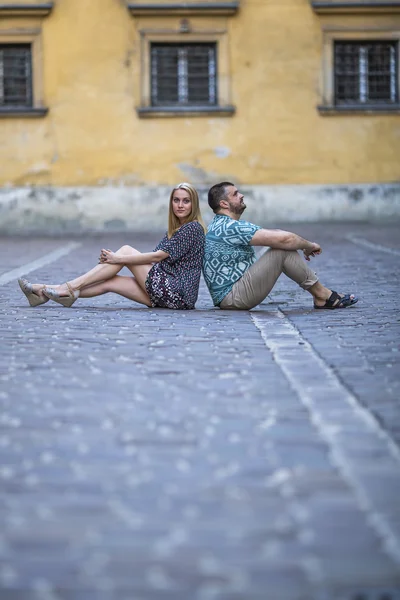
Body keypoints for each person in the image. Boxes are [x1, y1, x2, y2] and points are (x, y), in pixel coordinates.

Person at [18, 183, 206, 310]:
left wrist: (118, 259)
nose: (180, 205)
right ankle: (42, 292)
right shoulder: (176, 229)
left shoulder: (192, 228)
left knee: (125, 250)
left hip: (177, 293)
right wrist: (112, 263)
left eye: (186, 201)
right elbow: (157, 262)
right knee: (111, 282)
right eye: (176, 200)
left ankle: (69, 287)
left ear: (193, 204)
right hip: (170, 293)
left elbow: (157, 257)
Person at [203, 182, 358, 311]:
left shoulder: (222, 224)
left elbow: (275, 234)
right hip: (232, 298)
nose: (241, 195)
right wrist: (309, 245)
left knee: (279, 245)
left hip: (230, 293)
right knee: (281, 250)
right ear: (223, 203)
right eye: (235, 194)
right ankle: (322, 295)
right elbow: (285, 239)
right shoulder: (230, 227)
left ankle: (321, 294)